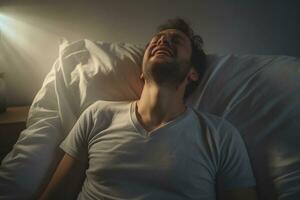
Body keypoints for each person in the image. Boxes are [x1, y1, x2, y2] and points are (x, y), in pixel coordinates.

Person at [39, 18, 257, 200]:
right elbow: (56, 194)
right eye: (157, 40)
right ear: (142, 72)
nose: (162, 41)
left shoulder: (221, 136)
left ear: (193, 73)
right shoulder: (98, 115)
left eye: (175, 40)